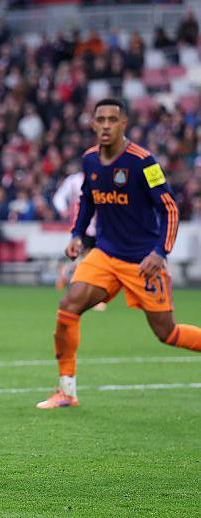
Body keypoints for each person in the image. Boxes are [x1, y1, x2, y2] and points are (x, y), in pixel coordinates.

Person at [38, 98, 201, 409]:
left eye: (113, 119)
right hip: (105, 255)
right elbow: (87, 200)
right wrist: (76, 235)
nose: (106, 125)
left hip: (142, 262)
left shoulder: (143, 162)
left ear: (124, 123)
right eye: (101, 119)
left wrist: (160, 252)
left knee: (167, 333)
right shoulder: (89, 161)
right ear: (92, 123)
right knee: (68, 307)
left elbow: (169, 208)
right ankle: (66, 391)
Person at [52, 166, 107, 311]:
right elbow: (59, 197)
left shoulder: (101, 177)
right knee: (91, 261)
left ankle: (65, 271)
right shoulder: (74, 181)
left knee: (89, 260)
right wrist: (63, 209)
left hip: (100, 226)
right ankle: (92, 297)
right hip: (83, 226)